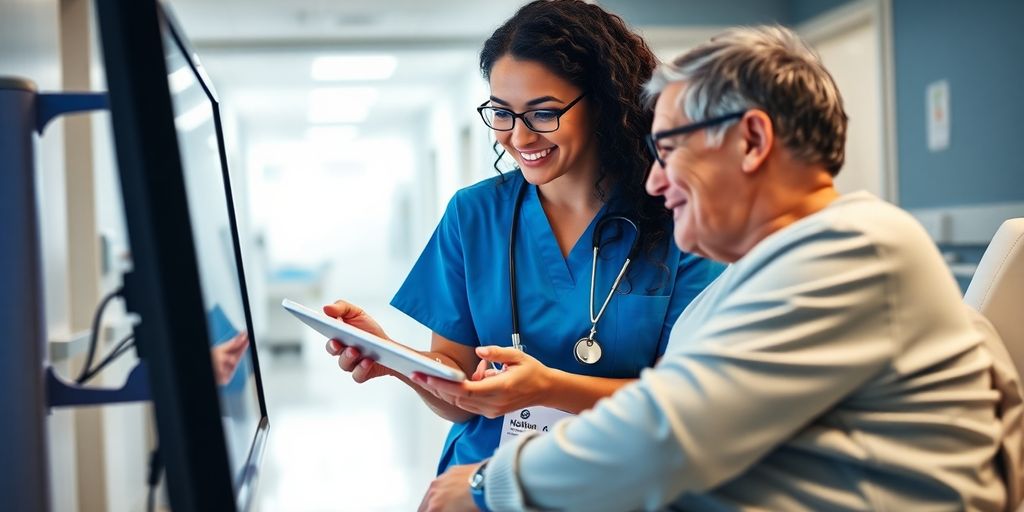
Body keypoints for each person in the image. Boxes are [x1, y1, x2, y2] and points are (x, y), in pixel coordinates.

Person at [416, 25, 1024, 512]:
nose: (655, 180)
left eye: (671, 150)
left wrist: (487, 489)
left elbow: (668, 433)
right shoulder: (753, 275)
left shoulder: (856, 247)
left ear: (752, 141)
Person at [323, 0, 723, 477]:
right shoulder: (472, 215)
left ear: (604, 103)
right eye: (501, 113)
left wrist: (547, 388)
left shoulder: (678, 217)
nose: (518, 137)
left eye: (543, 113)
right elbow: (461, 399)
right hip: (483, 478)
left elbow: (693, 404)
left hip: (618, 481)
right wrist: (393, 358)